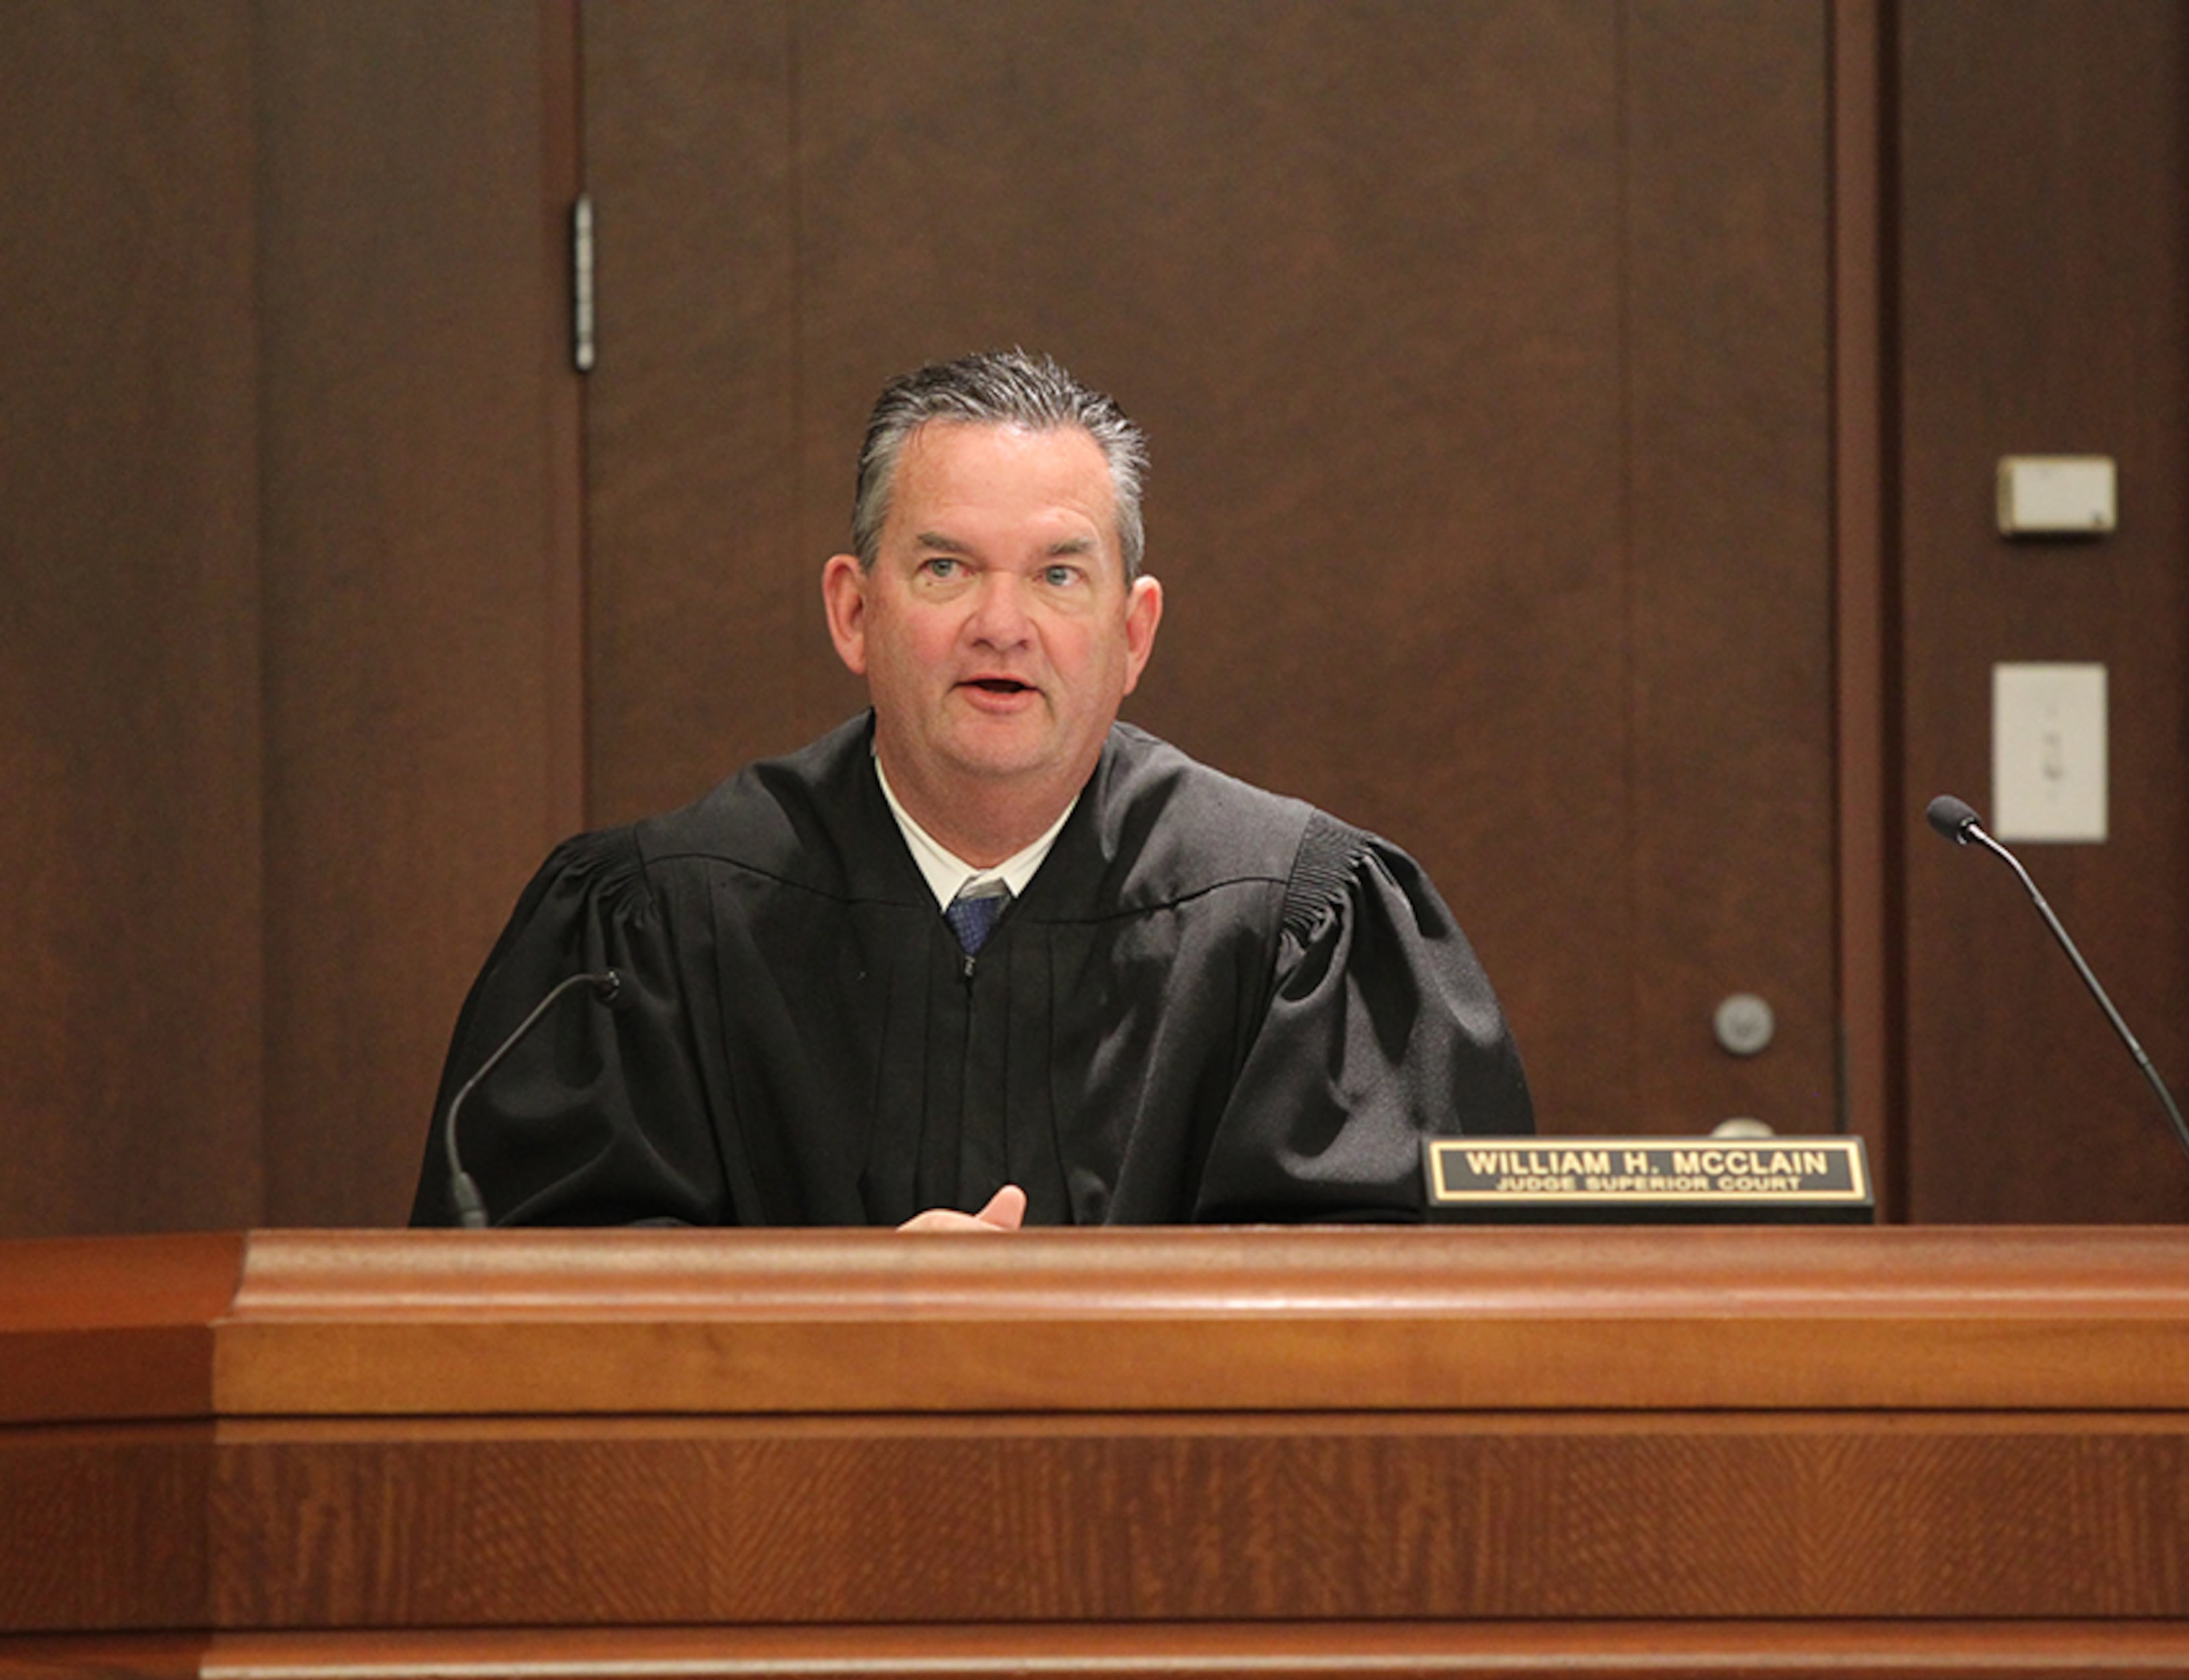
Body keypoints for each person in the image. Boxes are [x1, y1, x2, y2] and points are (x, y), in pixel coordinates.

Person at [412, 351, 1532, 1230]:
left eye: (1058, 573)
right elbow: (536, 1317)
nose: (1004, 625)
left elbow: (1394, 1320)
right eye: (946, 567)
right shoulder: (649, 932)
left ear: (1132, 631)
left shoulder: (1298, 928)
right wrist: (851, 1323)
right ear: (855, 611)